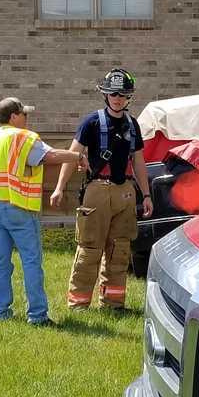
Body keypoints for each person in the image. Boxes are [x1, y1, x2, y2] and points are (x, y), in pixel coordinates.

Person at [0, 97, 85, 325]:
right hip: (21, 209)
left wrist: (0, 187)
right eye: (24, 114)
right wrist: (78, 156)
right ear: (14, 116)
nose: (27, 118)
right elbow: (51, 156)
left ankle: (1, 313)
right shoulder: (24, 138)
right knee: (31, 262)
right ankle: (37, 316)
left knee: (0, 262)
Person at [50, 69, 153, 311]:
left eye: (122, 94)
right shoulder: (91, 122)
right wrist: (59, 188)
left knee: (119, 250)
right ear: (105, 95)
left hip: (125, 192)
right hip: (97, 190)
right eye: (112, 93)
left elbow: (138, 161)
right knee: (90, 249)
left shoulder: (133, 125)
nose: (117, 98)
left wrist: (146, 194)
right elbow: (73, 156)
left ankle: (113, 304)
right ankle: (79, 304)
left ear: (129, 97)